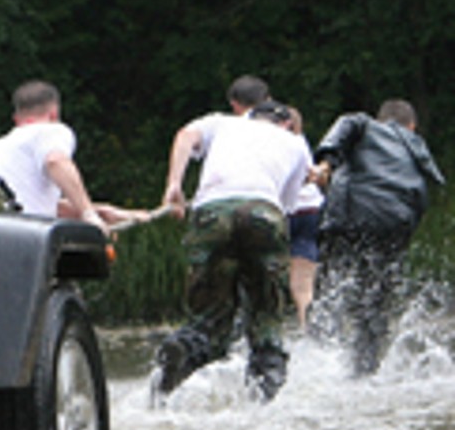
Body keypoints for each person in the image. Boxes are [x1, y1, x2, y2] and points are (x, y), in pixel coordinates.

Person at [154, 97, 313, 401]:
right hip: (264, 213)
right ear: (287, 124)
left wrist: (174, 184)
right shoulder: (294, 144)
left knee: (209, 322)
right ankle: (263, 402)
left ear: (249, 115)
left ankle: (183, 349)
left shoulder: (223, 123)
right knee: (267, 318)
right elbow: (287, 206)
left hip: (211, 213)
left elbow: (185, 136)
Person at [310, 99, 444, 376]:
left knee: (330, 287)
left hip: (351, 216)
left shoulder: (365, 125)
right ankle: (365, 369)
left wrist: (326, 162)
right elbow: (421, 196)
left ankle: (317, 358)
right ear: (413, 126)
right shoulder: (417, 147)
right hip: (395, 225)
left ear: (382, 120)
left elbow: (349, 121)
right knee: (377, 298)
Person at [0, 80, 141, 232]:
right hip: (33, 239)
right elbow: (55, 161)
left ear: (17, 120)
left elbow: (33, 203)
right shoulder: (50, 130)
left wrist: (103, 212)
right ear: (54, 114)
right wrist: (88, 214)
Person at [279, 105, 325, 331]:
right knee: (304, 281)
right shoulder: (301, 142)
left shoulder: (275, 144)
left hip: (284, 212)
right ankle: (307, 324)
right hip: (311, 209)